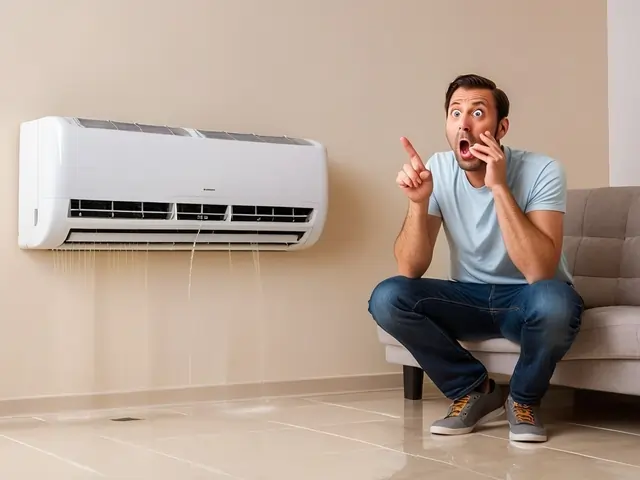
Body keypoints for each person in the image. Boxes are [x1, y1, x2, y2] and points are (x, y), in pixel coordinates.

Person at [367, 73, 584, 443]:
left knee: (556, 301)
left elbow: (540, 270)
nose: (463, 123)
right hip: (467, 297)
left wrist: (498, 186)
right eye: (455, 113)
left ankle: (524, 399)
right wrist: (418, 203)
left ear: (501, 127)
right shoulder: (438, 169)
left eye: (477, 112)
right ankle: (473, 389)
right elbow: (410, 268)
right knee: (388, 297)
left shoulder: (543, 170)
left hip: (527, 299)